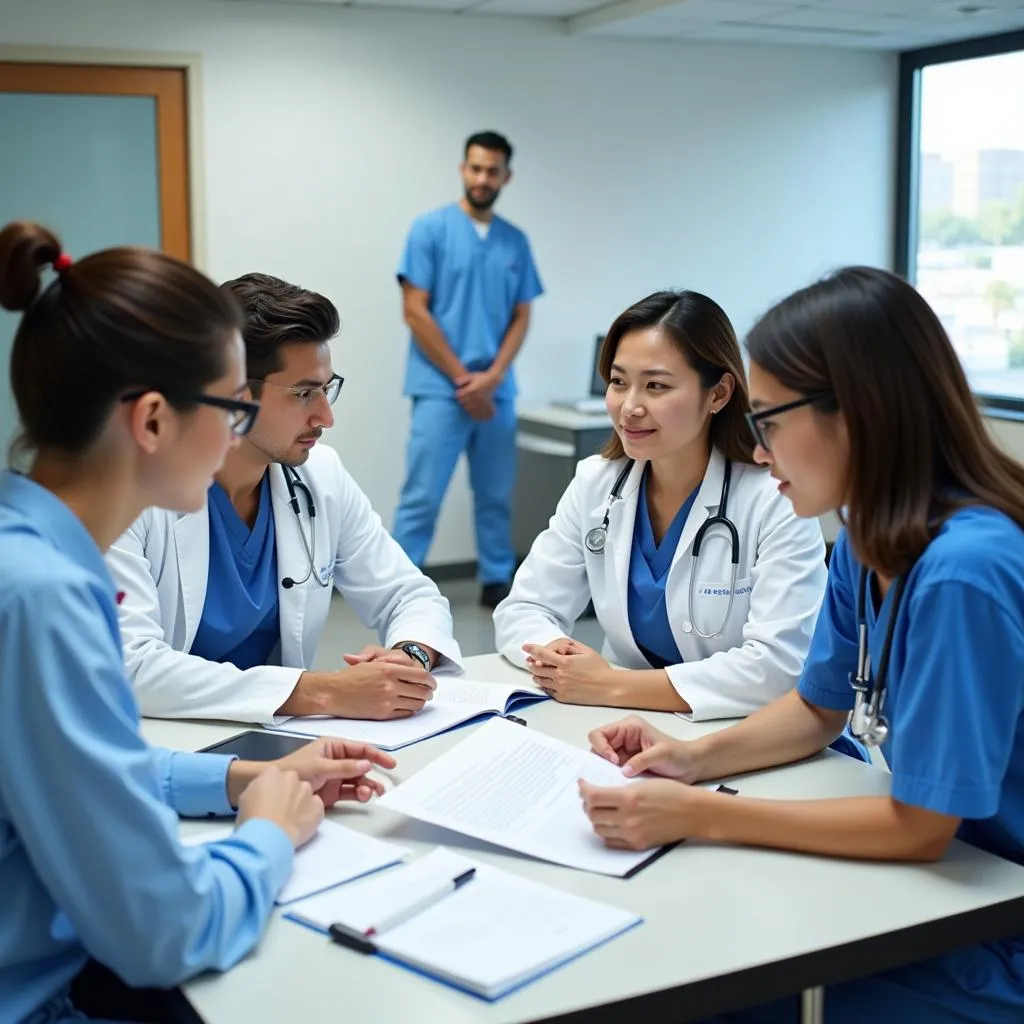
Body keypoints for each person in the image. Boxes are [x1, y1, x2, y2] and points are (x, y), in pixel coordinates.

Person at [580, 267, 1024, 1023]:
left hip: (993, 922)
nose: (756, 452)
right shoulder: (865, 540)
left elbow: (918, 827)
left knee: (708, 992)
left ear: (854, 414)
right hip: (956, 876)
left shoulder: (963, 573)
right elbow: (817, 707)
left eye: (769, 423)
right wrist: (691, 760)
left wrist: (700, 815)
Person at [0, 221, 396, 1024]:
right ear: (151, 421)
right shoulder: (41, 600)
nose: (237, 433)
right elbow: (164, 934)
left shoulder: (28, 552)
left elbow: (71, 769)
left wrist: (239, 780)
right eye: (230, 407)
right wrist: (269, 838)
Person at [107, 273, 463, 725]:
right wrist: (324, 692)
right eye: (303, 393)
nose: (326, 416)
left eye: (327, 388)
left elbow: (408, 594)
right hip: (164, 742)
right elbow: (130, 664)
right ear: (232, 395)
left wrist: (409, 658)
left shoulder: (320, 476)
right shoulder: (131, 492)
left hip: (280, 737)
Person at [493, 290, 828, 721]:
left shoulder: (773, 498)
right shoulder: (597, 483)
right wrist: (555, 654)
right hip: (623, 722)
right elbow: (526, 608)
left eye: (656, 385)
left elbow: (777, 667)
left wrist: (612, 685)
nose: (629, 407)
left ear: (719, 394)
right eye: (618, 382)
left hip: (743, 731)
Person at [393, 130, 544, 609]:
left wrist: (493, 377)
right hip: (440, 388)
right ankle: (399, 584)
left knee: (496, 495)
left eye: (493, 170)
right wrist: (464, 378)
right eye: (475, 168)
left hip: (496, 390)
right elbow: (415, 310)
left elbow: (522, 314)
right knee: (422, 495)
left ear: (506, 176)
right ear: (463, 169)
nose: (483, 178)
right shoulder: (429, 230)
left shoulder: (515, 241)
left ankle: (496, 579)